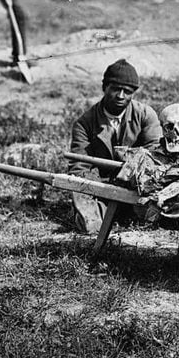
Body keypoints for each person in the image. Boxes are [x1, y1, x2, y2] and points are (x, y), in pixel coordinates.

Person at [67, 59, 162, 234]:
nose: (120, 96)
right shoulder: (85, 123)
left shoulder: (146, 116)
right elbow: (78, 169)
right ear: (105, 87)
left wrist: (133, 176)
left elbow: (157, 155)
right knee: (90, 224)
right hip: (102, 189)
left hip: (138, 187)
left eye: (127, 91)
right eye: (115, 89)